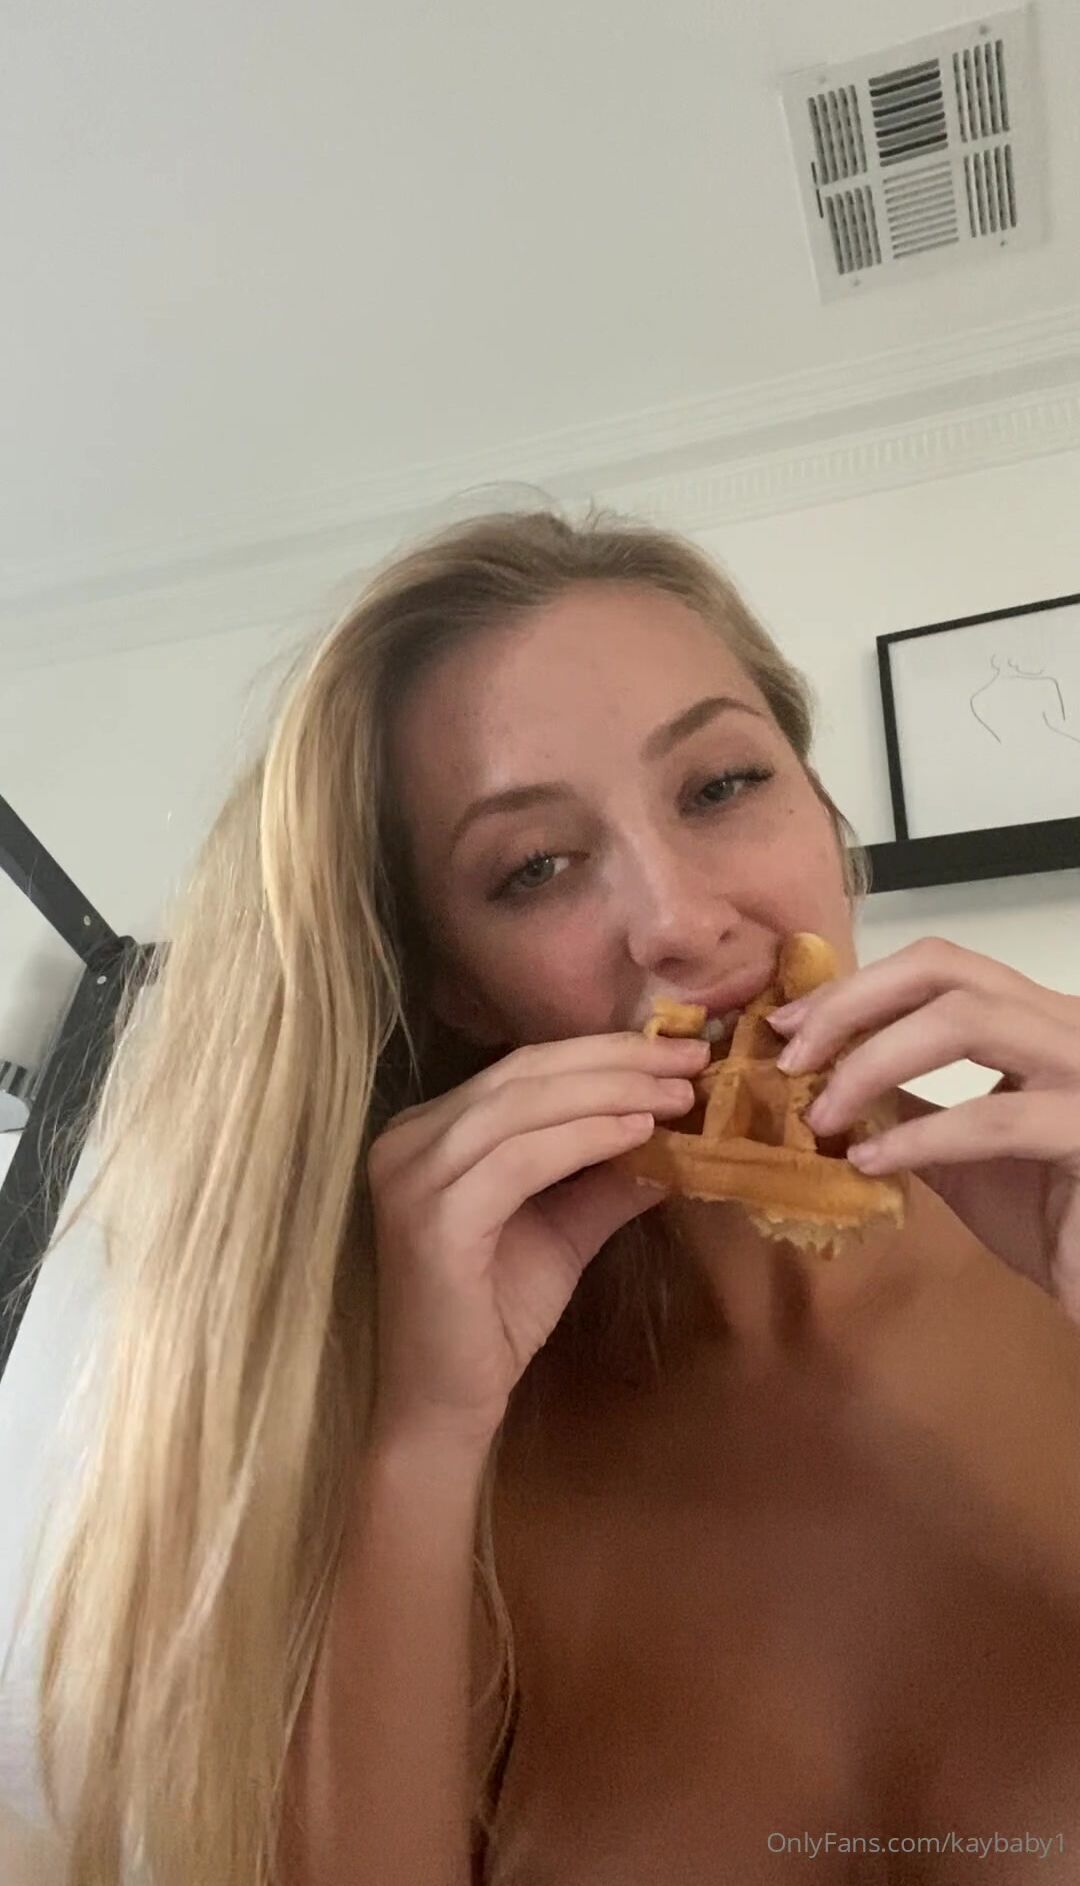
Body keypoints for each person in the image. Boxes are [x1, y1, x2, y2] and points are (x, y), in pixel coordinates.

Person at [31, 509, 1080, 1885]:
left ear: (826, 820)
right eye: (534, 867)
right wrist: (419, 1436)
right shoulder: (429, 1449)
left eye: (722, 784)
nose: (679, 918)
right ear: (461, 990)